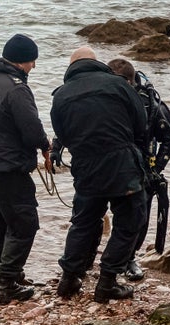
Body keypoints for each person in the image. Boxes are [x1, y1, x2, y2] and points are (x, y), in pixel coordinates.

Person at [50, 46, 148, 303]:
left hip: (86, 167)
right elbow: (141, 124)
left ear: (71, 68)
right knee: (129, 221)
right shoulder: (119, 85)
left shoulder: (60, 96)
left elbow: (62, 135)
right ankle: (107, 282)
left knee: (83, 221)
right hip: (121, 164)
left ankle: (69, 279)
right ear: (97, 63)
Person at [0, 33, 52, 305]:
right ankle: (7, 282)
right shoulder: (16, 88)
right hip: (8, 165)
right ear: (21, 61)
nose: (34, 67)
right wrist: (45, 146)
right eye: (32, 61)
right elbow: (31, 129)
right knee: (24, 223)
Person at [107, 58, 170, 281]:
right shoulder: (104, 97)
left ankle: (129, 258)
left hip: (142, 168)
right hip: (106, 166)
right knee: (91, 214)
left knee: (138, 217)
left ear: (130, 81)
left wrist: (155, 168)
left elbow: (169, 139)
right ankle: (85, 260)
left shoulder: (151, 103)